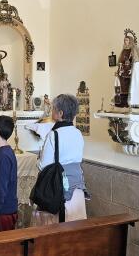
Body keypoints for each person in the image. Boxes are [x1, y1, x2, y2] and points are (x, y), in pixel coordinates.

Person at [32, 94, 87, 225]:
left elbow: (44, 165)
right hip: (77, 188)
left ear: (60, 113)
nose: (52, 111)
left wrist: (38, 162)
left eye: (53, 108)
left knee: (54, 230)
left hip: (58, 189)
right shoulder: (78, 132)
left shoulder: (54, 134)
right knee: (75, 228)